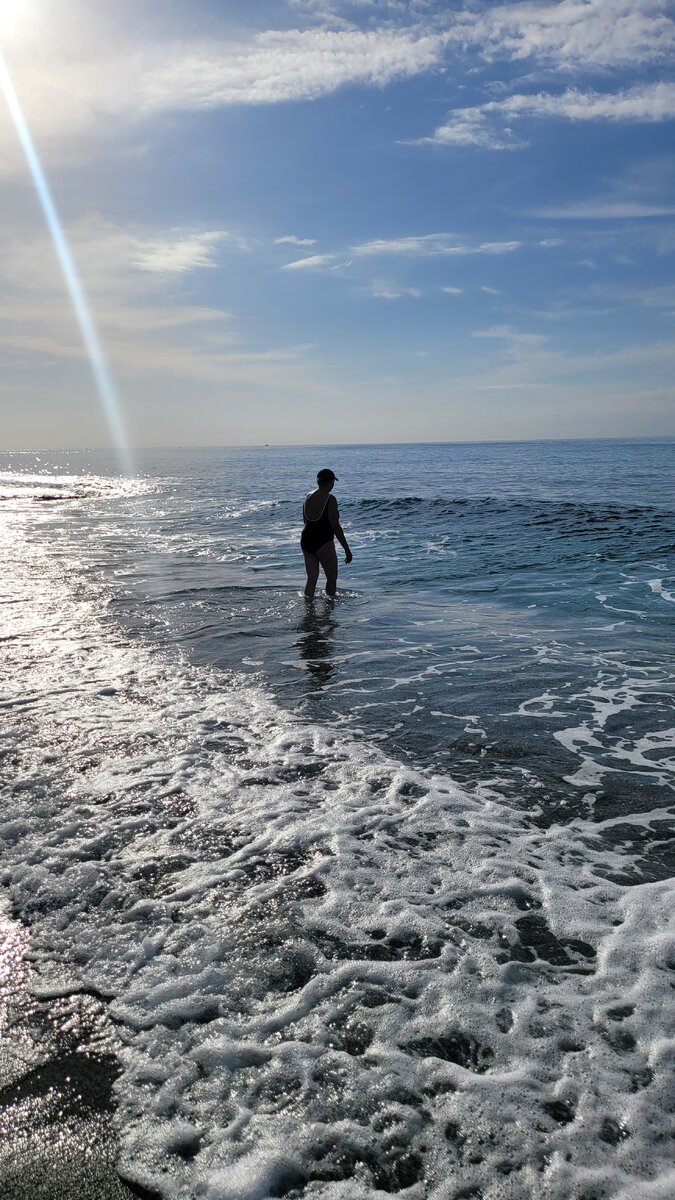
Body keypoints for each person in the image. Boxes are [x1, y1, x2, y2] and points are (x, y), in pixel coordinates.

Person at [300, 468, 352, 599]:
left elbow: (305, 520)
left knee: (311, 578)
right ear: (330, 482)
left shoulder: (308, 496)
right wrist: (347, 549)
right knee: (332, 577)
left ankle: (309, 610)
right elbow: (335, 526)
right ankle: (329, 610)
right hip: (323, 541)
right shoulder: (330, 499)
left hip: (306, 540)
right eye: (333, 482)